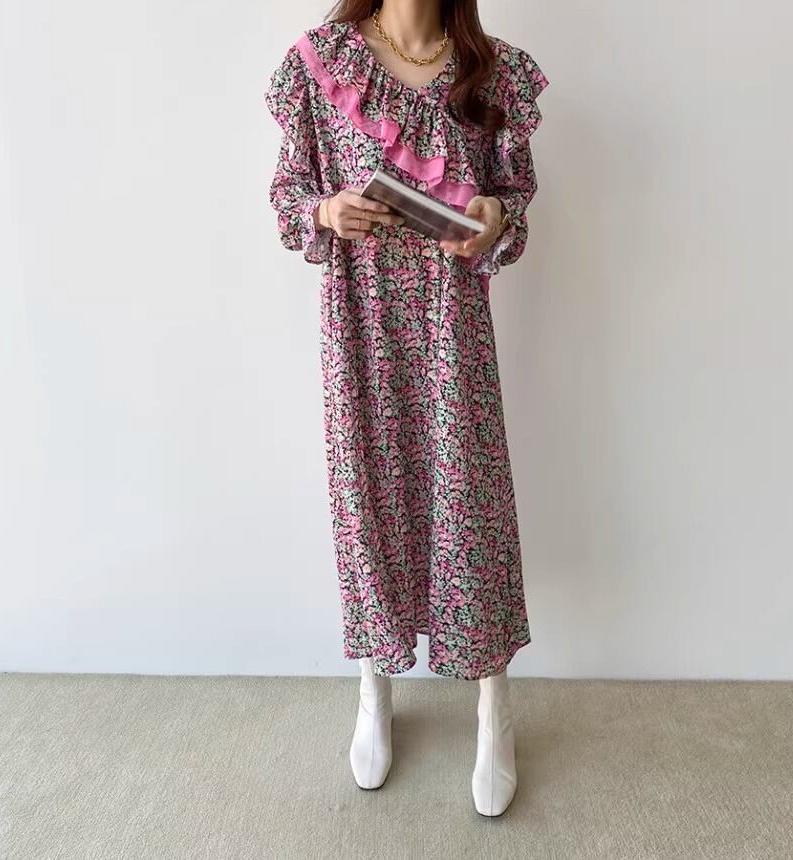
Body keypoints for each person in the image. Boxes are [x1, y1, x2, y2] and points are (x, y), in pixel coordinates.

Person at [265, 0, 547, 817]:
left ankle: (494, 703)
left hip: (453, 326)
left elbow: (513, 200)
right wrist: (327, 210)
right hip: (362, 324)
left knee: (471, 506)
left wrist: (495, 215)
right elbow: (287, 195)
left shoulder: (494, 71)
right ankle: (373, 687)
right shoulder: (320, 63)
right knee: (370, 499)